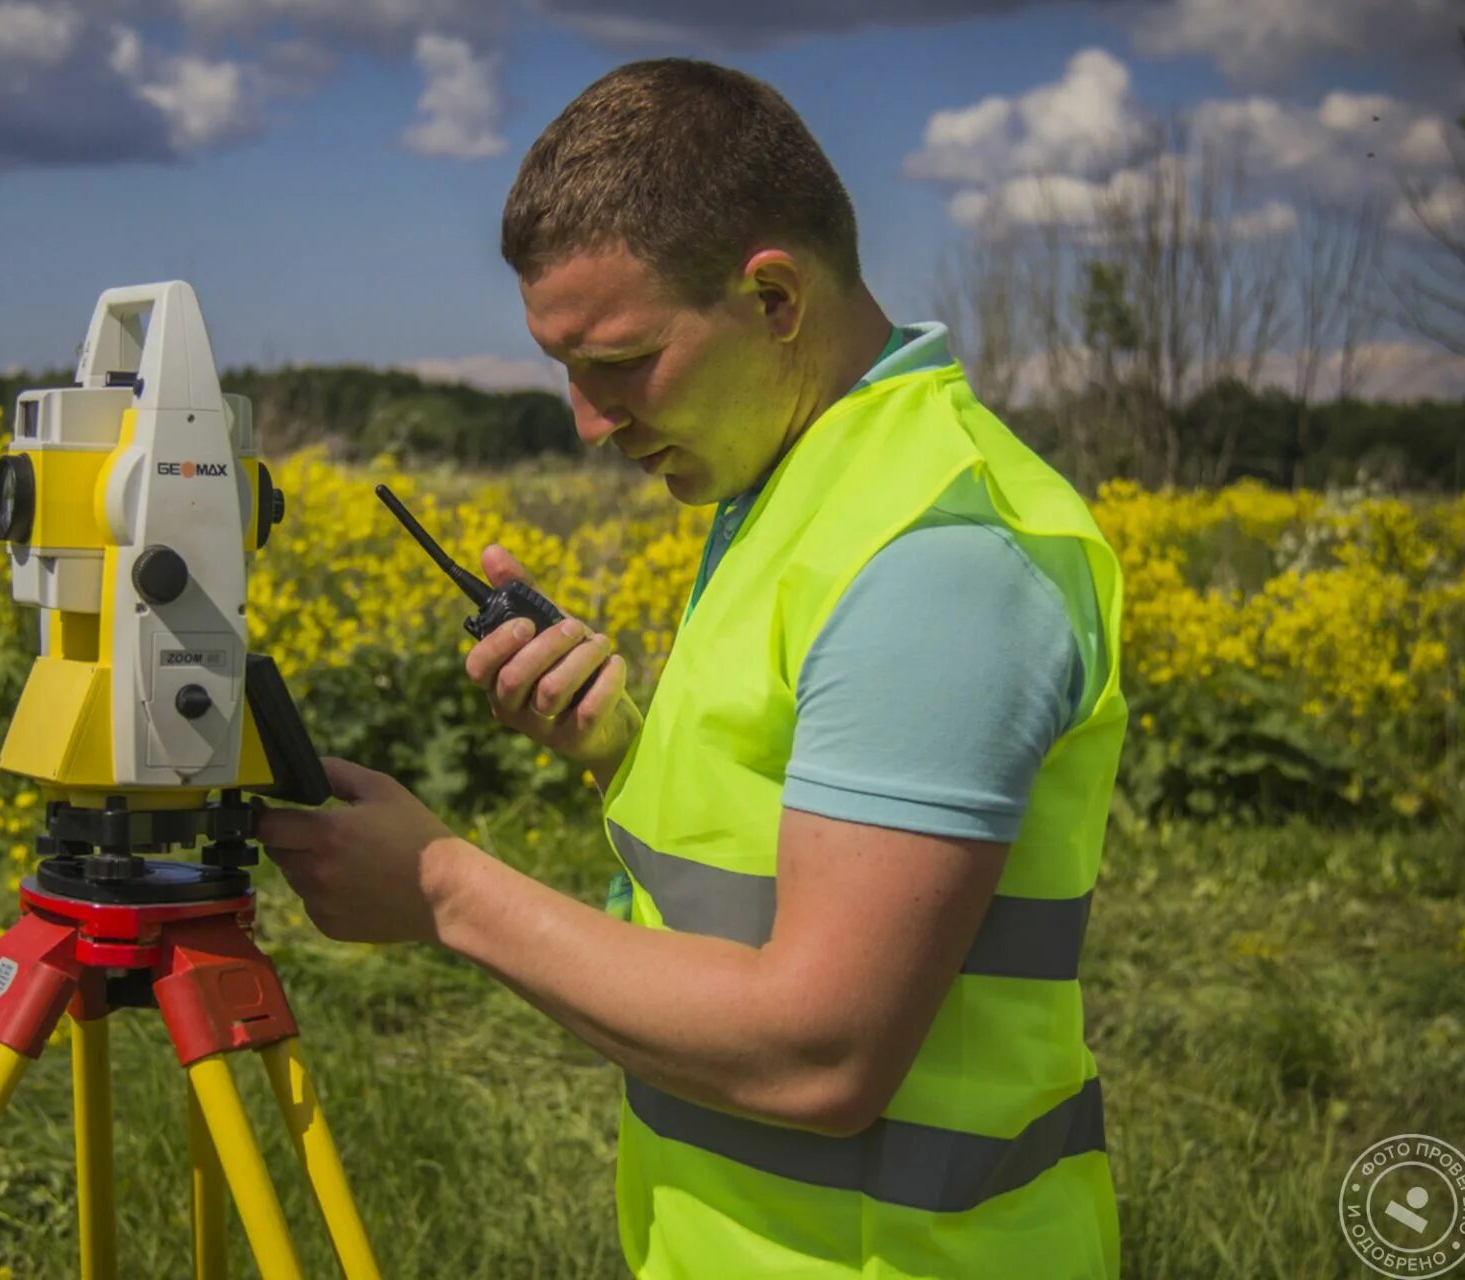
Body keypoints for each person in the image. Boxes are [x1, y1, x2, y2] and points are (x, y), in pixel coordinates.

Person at [255, 57, 1127, 1279]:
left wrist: (447, 889)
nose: (588, 420)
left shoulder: (940, 560)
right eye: (566, 369)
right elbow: (780, 854)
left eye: (617, 361)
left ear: (774, 297)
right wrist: (620, 747)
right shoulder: (795, 488)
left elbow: (821, 1051)